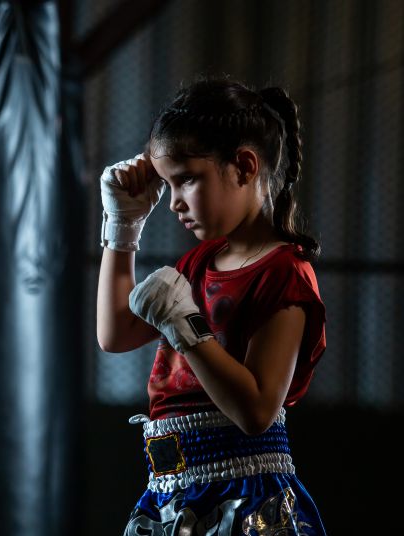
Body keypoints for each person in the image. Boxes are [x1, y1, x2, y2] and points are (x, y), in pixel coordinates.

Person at [96, 77, 327, 535]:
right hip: (170, 497)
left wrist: (187, 328)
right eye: (167, 184)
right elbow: (115, 333)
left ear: (243, 166)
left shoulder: (285, 272)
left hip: (248, 500)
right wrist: (122, 227)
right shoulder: (199, 262)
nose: (174, 203)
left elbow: (257, 411)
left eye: (186, 180)